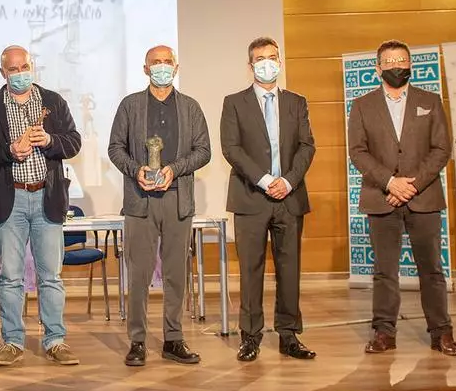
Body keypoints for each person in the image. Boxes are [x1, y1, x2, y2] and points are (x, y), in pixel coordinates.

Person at [348, 39, 456, 356]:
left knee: (432, 270)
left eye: (401, 60)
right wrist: (390, 182)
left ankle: (441, 332)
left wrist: (412, 184)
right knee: (385, 271)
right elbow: (358, 151)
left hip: (423, 196)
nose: (396, 66)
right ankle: (384, 332)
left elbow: (441, 148)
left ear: (410, 65)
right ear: (378, 68)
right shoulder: (362, 105)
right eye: (389, 61)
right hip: (381, 197)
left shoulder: (430, 100)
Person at [0, 45, 82, 367]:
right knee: (10, 277)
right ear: (3, 72)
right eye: (13, 69)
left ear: (31, 67)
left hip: (47, 198)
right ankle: (12, 342)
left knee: (51, 277)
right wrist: (9, 151)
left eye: (24, 67)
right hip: (11, 201)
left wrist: (49, 141)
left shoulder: (53, 101)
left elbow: (74, 141)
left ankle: (55, 340)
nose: (20, 74)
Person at [107, 45, 211, 366]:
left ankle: (173, 339)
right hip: (140, 201)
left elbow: (203, 151)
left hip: (178, 199)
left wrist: (174, 169)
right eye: (156, 62)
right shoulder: (130, 105)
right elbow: (115, 148)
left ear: (176, 68)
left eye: (167, 62)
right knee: (138, 273)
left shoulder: (190, 107)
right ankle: (137, 341)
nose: (162, 67)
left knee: (176, 273)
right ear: (145, 68)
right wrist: (136, 169)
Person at [220, 36, 317, 362]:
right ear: (250, 65)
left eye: (272, 57)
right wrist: (264, 181)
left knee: (290, 269)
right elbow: (231, 148)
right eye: (260, 59)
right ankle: (250, 336)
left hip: (290, 197)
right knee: (251, 270)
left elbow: (307, 146)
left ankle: (289, 335)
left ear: (280, 61)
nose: (266, 63)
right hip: (250, 197)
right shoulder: (234, 102)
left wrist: (287, 181)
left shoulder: (296, 102)